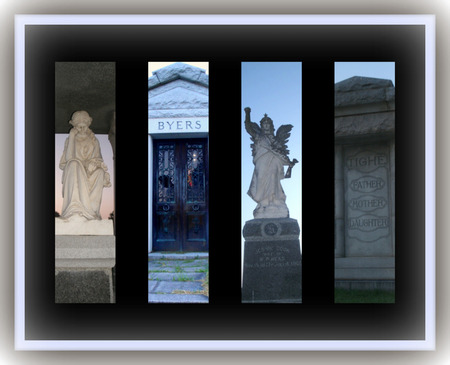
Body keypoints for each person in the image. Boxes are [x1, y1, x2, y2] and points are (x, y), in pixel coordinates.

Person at [245, 107, 296, 219]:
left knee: (273, 178)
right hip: (261, 161)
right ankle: (263, 202)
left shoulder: (275, 140)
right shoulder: (259, 136)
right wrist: (247, 113)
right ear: (262, 126)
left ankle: (273, 200)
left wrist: (289, 163)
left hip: (274, 162)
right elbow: (248, 127)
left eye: (268, 123)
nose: (266, 125)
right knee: (261, 180)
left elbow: (280, 153)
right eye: (264, 123)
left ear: (271, 126)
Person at [59, 110, 111, 220]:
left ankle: (91, 212)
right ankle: (74, 208)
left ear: (88, 124)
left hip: (89, 171)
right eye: (79, 126)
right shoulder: (70, 140)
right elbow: (68, 159)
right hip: (74, 170)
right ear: (74, 126)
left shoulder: (94, 141)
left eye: (84, 125)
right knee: (74, 164)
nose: (82, 128)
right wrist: (72, 136)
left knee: (100, 173)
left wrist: (93, 164)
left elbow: (98, 159)